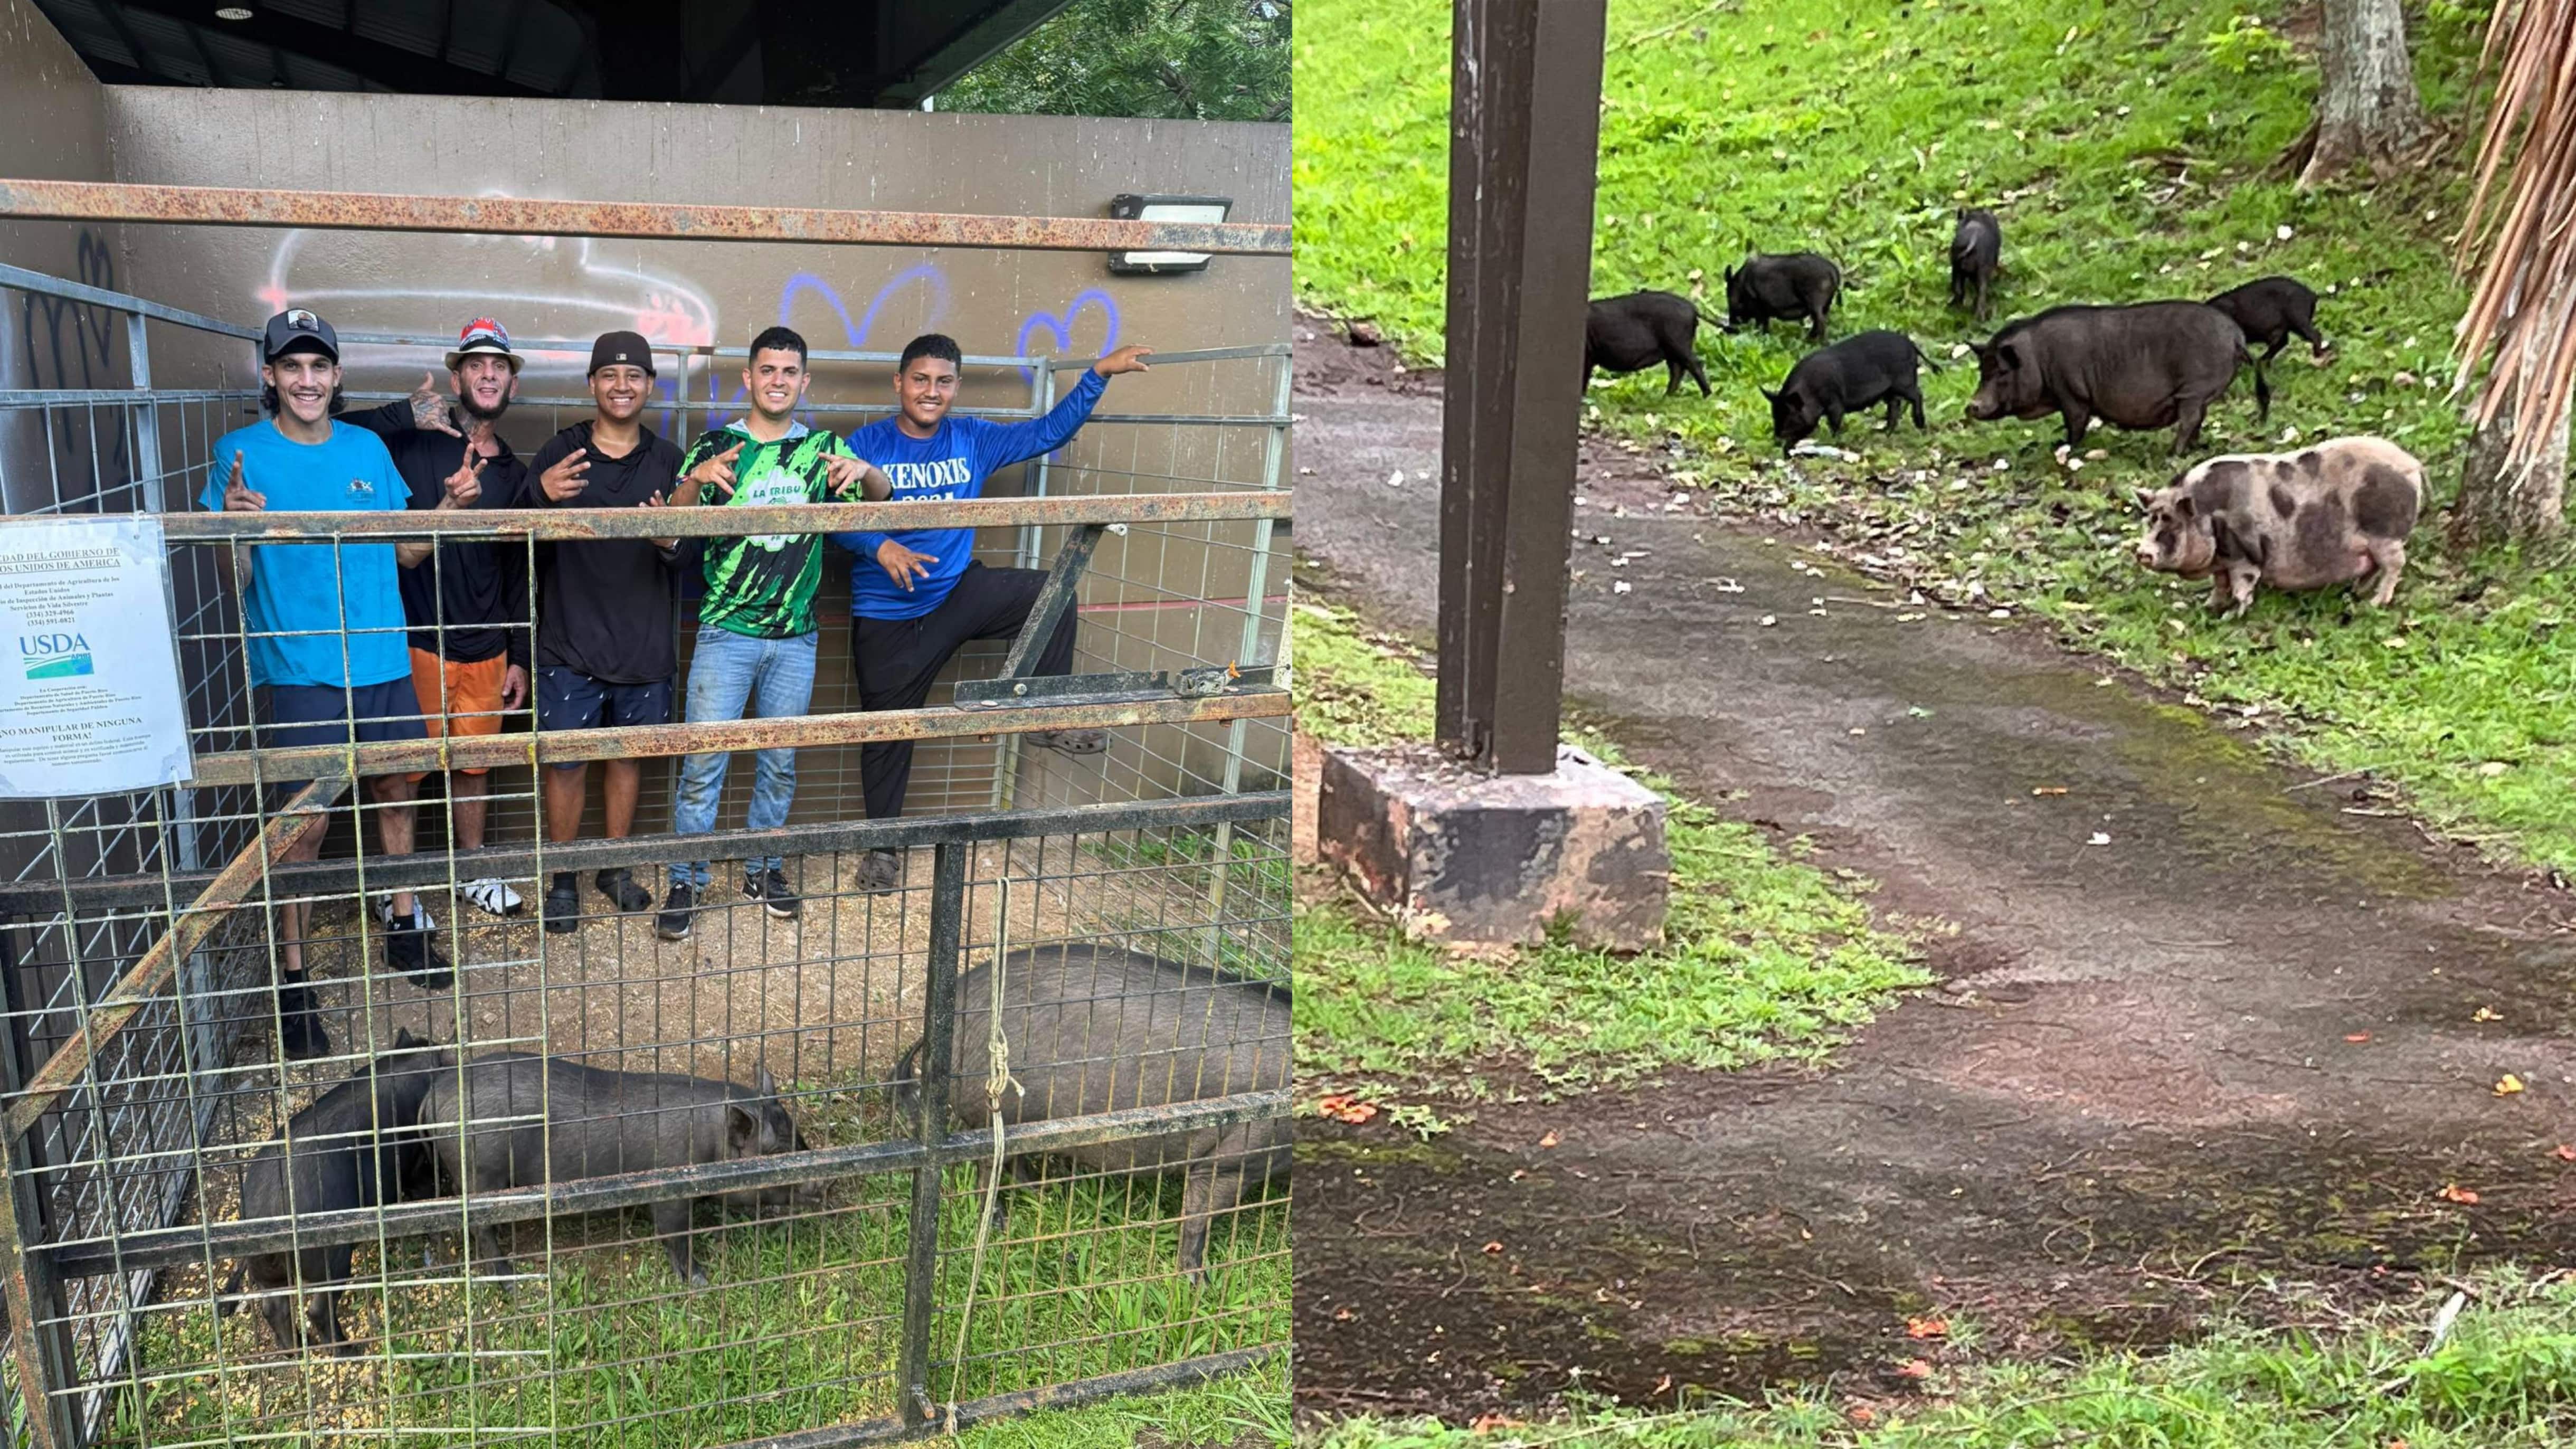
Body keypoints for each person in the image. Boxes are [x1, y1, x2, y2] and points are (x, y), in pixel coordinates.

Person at [203, 308, 451, 1059]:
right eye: (292, 367)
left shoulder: (369, 449)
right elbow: (231, 577)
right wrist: (234, 528)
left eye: (319, 367)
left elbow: (405, 554)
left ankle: (404, 924)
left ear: (336, 377)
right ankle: (293, 977)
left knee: (398, 788)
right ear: (272, 377)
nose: (306, 380)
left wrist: (450, 512)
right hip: (303, 667)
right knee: (303, 829)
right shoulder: (238, 455)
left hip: (381, 656)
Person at [830, 334, 1153, 893]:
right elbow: (833, 516)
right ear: (899, 383)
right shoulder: (867, 442)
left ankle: (1044, 713)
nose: (931, 392)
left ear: (955, 387)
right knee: (887, 735)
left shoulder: (972, 438)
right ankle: (881, 852)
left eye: (943, 381)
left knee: (1050, 595)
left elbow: (1047, 432)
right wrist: (878, 546)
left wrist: (1097, 374)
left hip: (955, 593)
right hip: (887, 614)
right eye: (920, 379)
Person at [655, 326, 891, 941]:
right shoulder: (718, 446)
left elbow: (882, 498)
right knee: (703, 765)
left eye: (790, 371)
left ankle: (763, 869)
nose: (778, 380)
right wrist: (696, 477)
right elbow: (669, 532)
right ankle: (686, 879)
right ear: (749, 378)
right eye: (768, 370)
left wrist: (864, 470)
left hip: (795, 638)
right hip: (725, 634)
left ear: (803, 381)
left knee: (779, 764)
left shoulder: (822, 450)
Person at [343, 318, 532, 918]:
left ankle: (471, 873)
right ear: (457, 377)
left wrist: (519, 654)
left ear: (512, 384)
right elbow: (327, 432)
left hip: (486, 645)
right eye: (475, 365)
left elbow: (518, 571)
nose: (487, 374)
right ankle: (396, 888)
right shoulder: (412, 443)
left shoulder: (515, 474)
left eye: (498, 366)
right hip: (416, 638)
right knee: (402, 774)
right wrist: (403, 414)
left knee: (473, 768)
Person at [521, 330, 686, 933]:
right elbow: (516, 535)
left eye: (634, 376)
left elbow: (689, 552)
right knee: (564, 764)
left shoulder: (669, 460)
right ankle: (563, 877)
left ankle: (612, 868)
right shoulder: (559, 454)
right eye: (610, 376)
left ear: (649, 387)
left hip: (642, 642)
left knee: (625, 759)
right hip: (569, 640)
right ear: (592, 384)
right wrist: (540, 496)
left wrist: (669, 540)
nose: (622, 386)